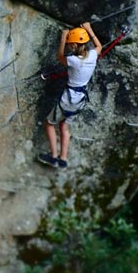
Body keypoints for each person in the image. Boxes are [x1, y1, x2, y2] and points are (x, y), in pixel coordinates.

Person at [37, 23, 102, 169]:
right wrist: (89, 29)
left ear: (72, 45)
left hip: (68, 98)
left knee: (49, 123)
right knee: (64, 127)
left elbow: (60, 56)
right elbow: (99, 47)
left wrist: (63, 37)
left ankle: (54, 157)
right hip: (80, 101)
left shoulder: (74, 60)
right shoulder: (92, 55)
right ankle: (63, 159)